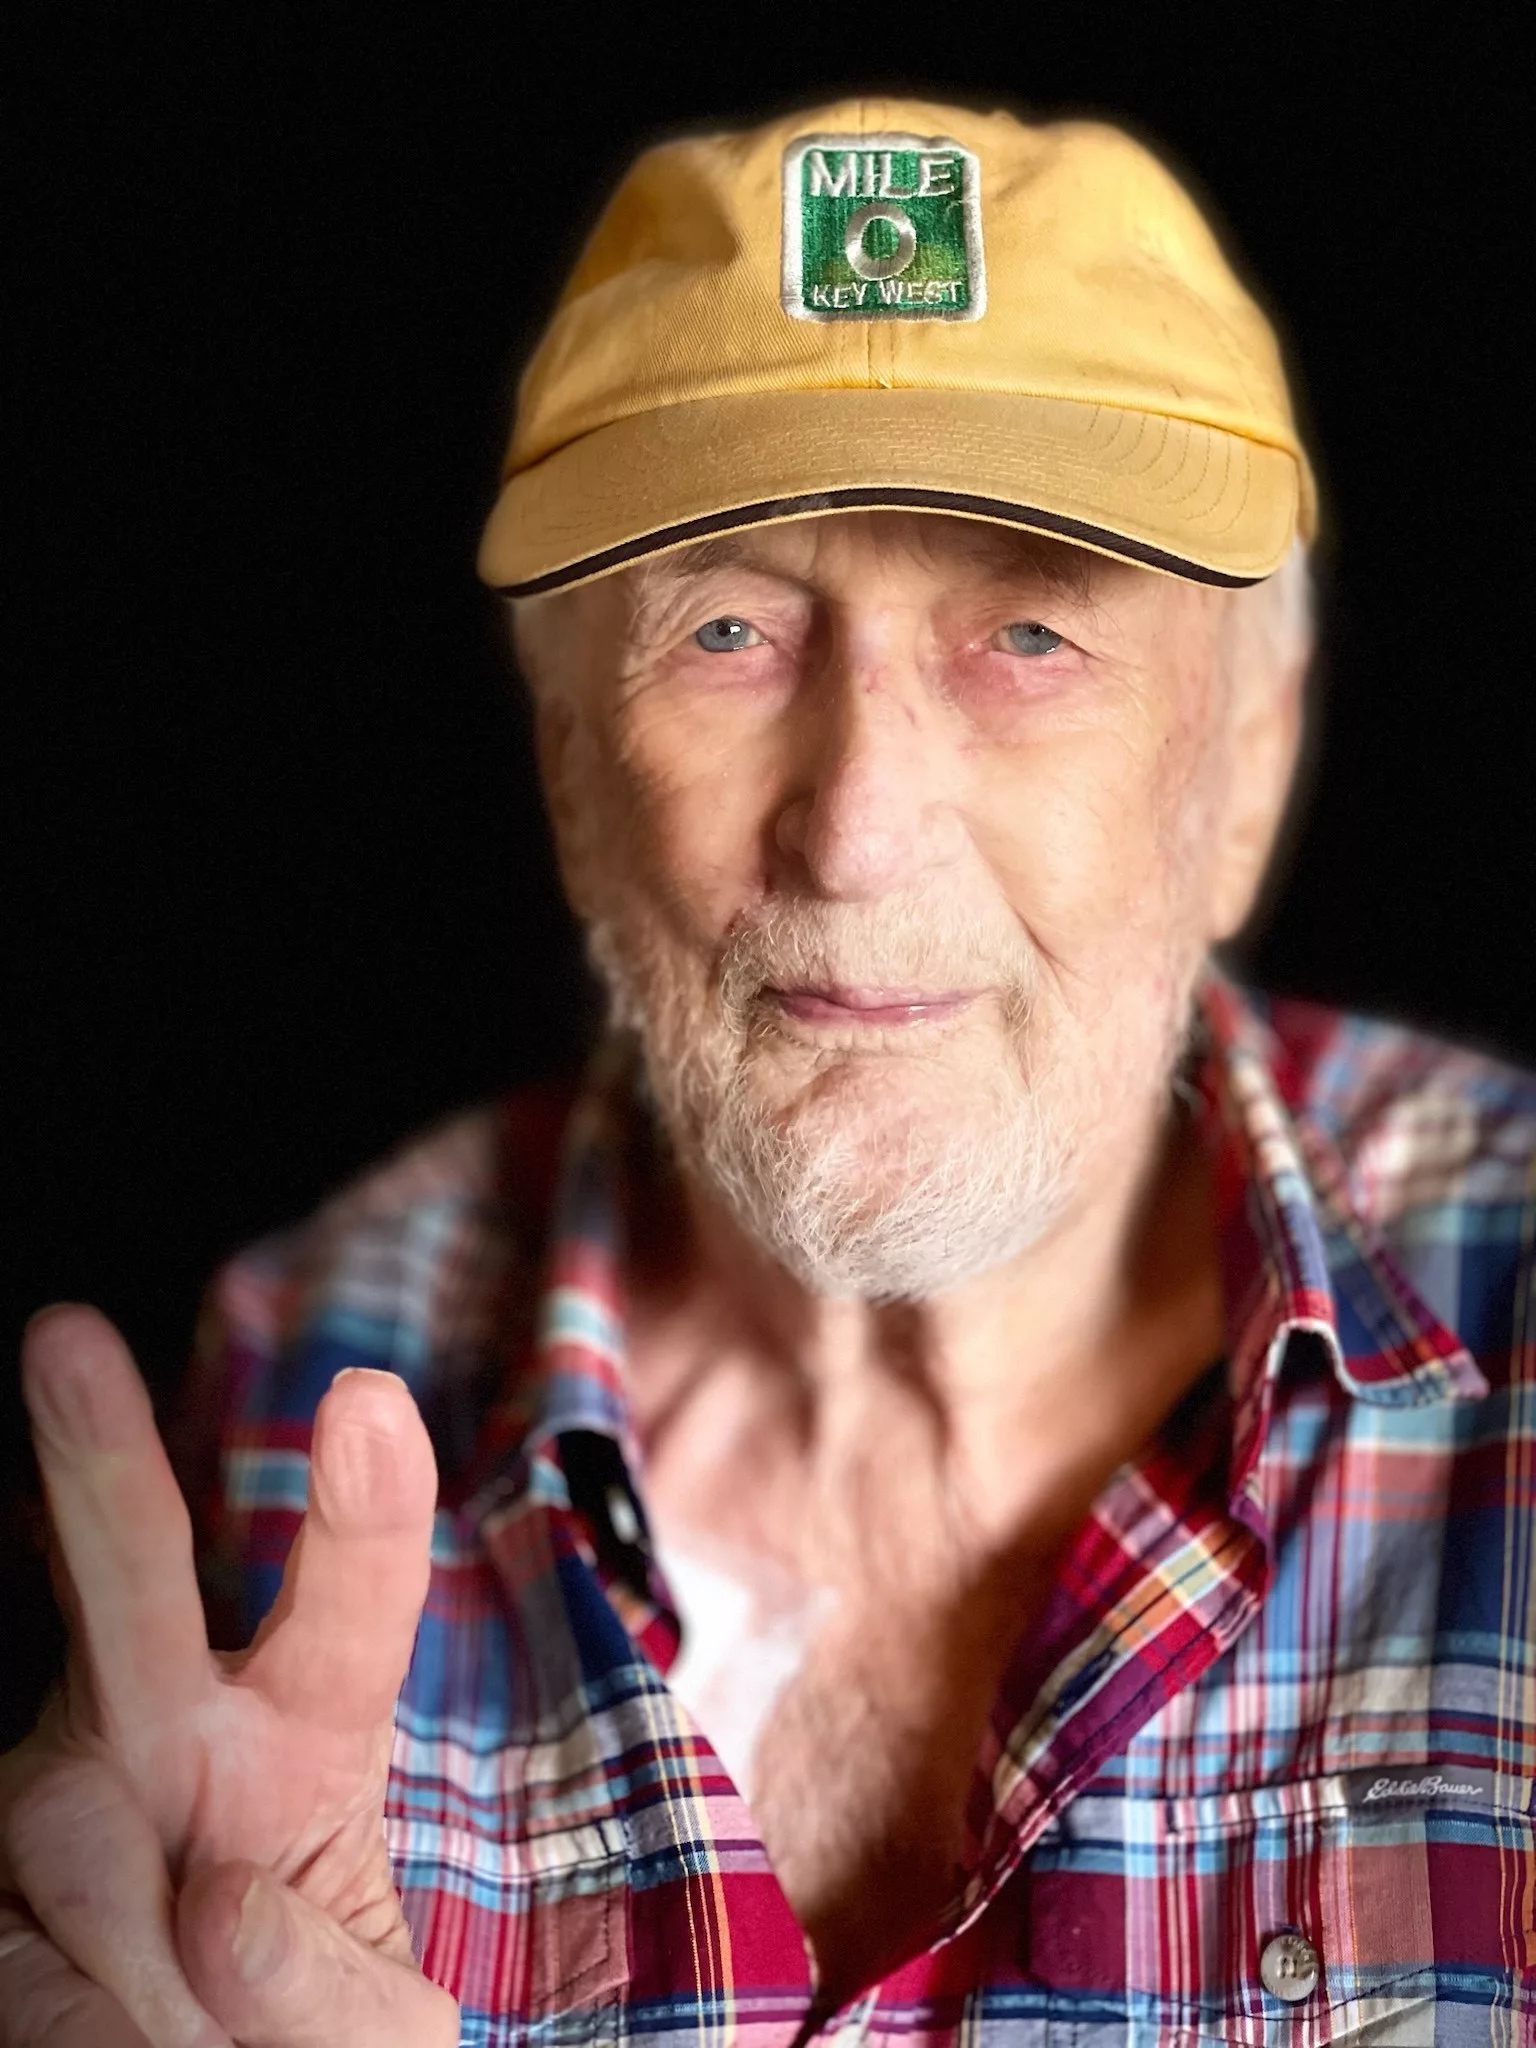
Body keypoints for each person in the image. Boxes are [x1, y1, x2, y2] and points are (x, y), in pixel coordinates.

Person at [3, 93, 1533, 2048]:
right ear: (572, 776)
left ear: (1248, 761)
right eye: (728, 629)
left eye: (1030, 635)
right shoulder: (280, 1409)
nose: (859, 828)